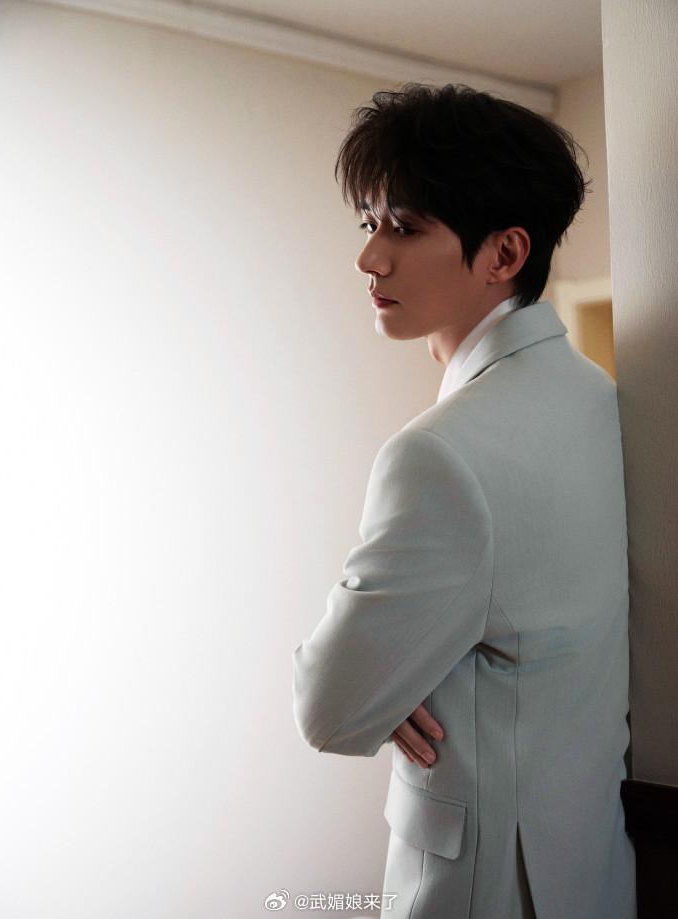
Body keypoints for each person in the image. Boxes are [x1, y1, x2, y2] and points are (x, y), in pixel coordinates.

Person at [292, 84, 635, 919]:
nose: (370, 258)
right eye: (369, 221)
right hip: (593, 872)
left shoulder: (438, 455)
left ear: (504, 253)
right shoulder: (597, 396)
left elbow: (329, 708)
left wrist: (387, 673)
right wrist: (396, 667)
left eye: (405, 228)